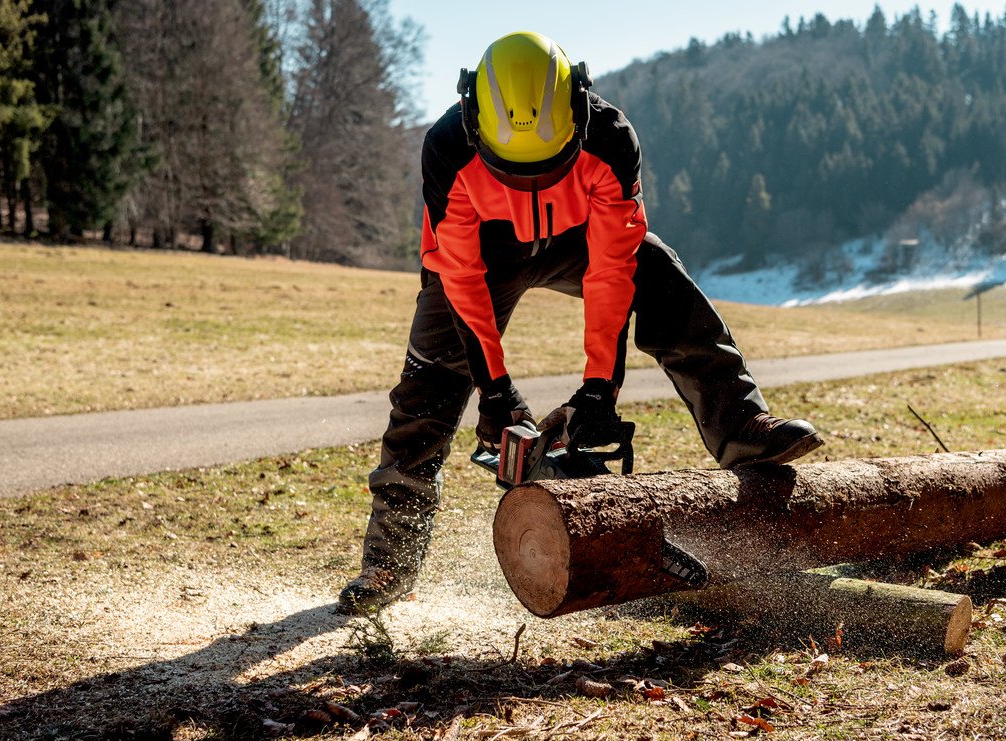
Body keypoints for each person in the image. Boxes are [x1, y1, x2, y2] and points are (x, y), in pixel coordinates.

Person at [337, 31, 823, 613]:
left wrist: (599, 391)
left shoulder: (611, 136)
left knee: (659, 274)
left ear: (577, 109)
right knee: (430, 383)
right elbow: (460, 275)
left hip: (579, 237)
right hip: (483, 255)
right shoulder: (447, 146)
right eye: (516, 173)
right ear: (474, 119)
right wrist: (496, 394)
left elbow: (613, 268)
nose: (532, 183)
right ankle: (390, 563)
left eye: (547, 167)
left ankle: (742, 427)